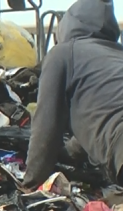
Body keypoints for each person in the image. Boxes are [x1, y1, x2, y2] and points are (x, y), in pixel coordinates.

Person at [24, 0, 123, 189]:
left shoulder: (64, 53)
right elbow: (96, 119)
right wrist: (66, 154)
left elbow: (47, 124)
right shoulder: (117, 56)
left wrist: (30, 183)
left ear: (68, 26)